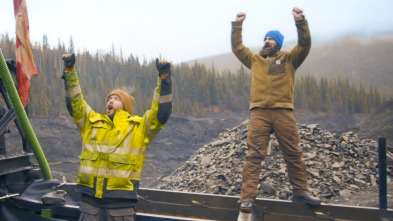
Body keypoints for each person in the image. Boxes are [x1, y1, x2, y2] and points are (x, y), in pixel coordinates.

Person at [61, 53, 173, 220]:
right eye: (109, 99)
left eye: (115, 98)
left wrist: (164, 78)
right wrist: (69, 71)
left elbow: (160, 113)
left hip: (121, 210)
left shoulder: (139, 127)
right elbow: (75, 103)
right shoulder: (91, 123)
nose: (110, 101)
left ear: (126, 105)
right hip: (89, 207)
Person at [231, 7, 321, 212]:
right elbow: (237, 47)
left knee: (293, 152)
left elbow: (305, 44)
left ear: (278, 44)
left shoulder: (290, 59)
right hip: (259, 113)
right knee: (254, 154)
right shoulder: (254, 60)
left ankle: (301, 192)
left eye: (271, 39)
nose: (266, 41)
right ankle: (247, 198)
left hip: (283, 112)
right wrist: (237, 24)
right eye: (265, 38)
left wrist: (300, 21)